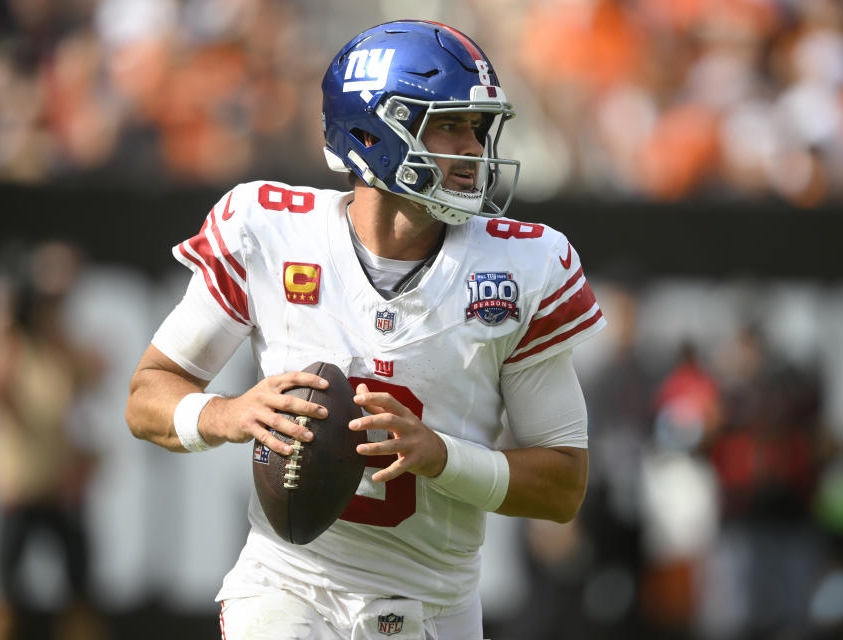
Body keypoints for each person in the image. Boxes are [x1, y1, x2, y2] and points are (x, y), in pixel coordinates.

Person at [125, 20, 605, 640]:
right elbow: (146, 397)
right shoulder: (268, 229)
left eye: (479, 128)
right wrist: (227, 413)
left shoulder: (522, 267)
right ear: (373, 128)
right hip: (286, 588)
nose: (472, 149)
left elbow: (563, 485)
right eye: (449, 124)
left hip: (433, 608)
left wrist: (442, 457)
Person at [0, 241, 104, 640]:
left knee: (80, 593)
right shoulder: (7, 351)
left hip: (57, 485)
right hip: (14, 487)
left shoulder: (59, 351)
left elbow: (97, 373)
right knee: (0, 592)